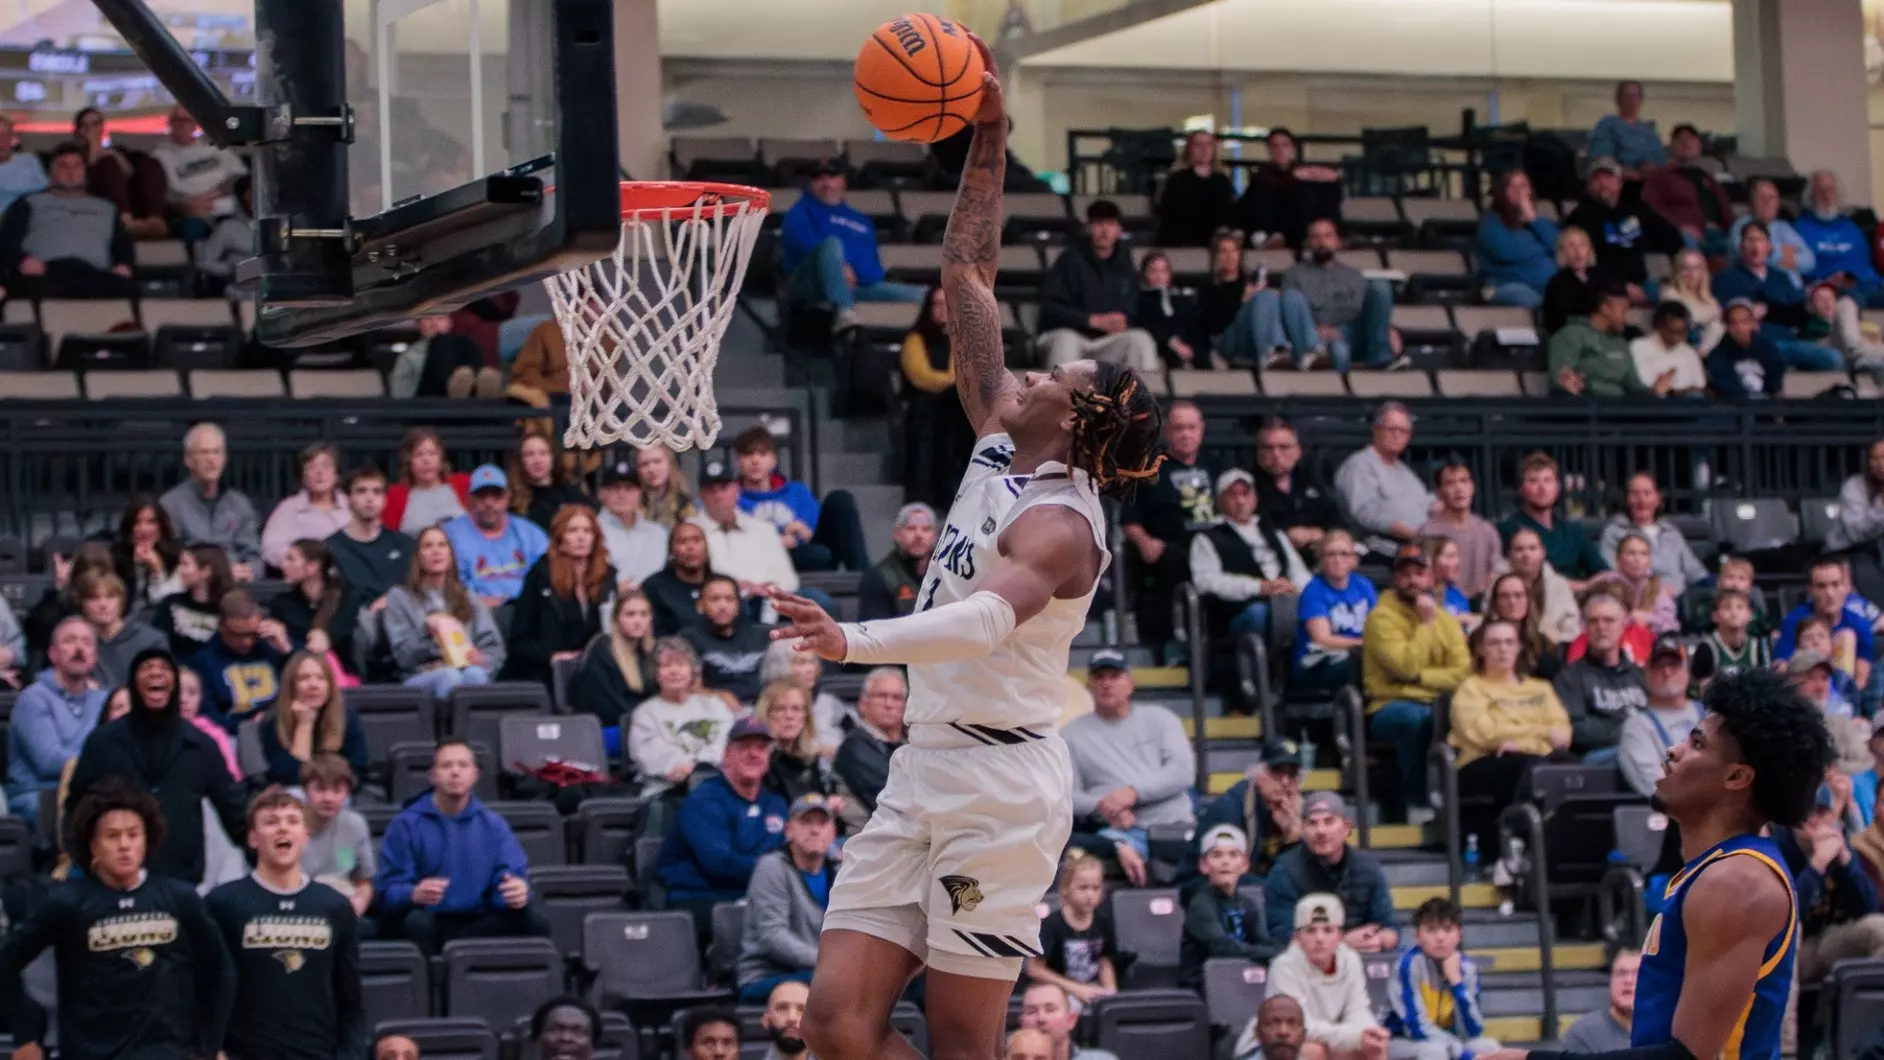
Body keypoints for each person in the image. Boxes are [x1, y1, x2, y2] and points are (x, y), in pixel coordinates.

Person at [773, 49, 1166, 1060]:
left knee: (960, 1044)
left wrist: (852, 641)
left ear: (1073, 421)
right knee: (834, 1027)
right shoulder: (1000, 426)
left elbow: (984, 620)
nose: (1030, 371)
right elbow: (967, 275)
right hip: (925, 765)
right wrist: (988, 130)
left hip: (1002, 790)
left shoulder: (1064, 527)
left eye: (1056, 375)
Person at [1479, 669, 1834, 1060]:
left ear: (1736, 776)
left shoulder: (1737, 883)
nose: (1672, 751)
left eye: (1696, 744)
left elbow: (1687, 1057)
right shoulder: (1715, 871)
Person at [0, 780, 235, 1060]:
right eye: (112, 836)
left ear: (146, 840)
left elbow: (221, 970)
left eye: (133, 834)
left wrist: (208, 1045)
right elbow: (7, 961)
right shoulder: (66, 902)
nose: (124, 845)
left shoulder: (180, 899)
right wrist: (26, 1034)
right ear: (93, 845)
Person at [205, 788, 365, 1060]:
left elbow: (351, 1000)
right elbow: (204, 988)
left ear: (305, 836)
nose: (282, 828)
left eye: (292, 821)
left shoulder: (334, 906)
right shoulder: (222, 903)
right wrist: (213, 1050)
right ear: (253, 838)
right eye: (271, 822)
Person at [66, 649, 247, 884]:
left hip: (180, 880)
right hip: (111, 882)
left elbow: (234, 812)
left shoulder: (200, 745)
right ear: (133, 682)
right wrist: (85, 861)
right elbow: (76, 808)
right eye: (147, 667)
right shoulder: (103, 741)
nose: (155, 673)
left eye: (164, 668)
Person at [374, 740, 551, 953]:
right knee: (414, 924)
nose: (455, 772)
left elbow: (509, 876)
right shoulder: (405, 825)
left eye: (463, 765)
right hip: (429, 919)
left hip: (478, 919)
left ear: (475, 774)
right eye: (446, 765)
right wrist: (413, 893)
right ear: (433, 775)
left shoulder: (493, 825)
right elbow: (386, 891)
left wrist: (517, 892)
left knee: (534, 921)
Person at [1064, 650, 1196, 885]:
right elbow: (1068, 797)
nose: (1107, 684)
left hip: (1174, 825)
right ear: (1089, 685)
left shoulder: (1161, 719)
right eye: (1099, 677)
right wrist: (1105, 806)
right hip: (1118, 832)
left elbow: (1183, 772)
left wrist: (1133, 793)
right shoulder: (1070, 734)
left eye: (1115, 676)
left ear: (1130, 683)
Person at [1363, 543, 1472, 822]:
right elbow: (1405, 667)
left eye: (1419, 573)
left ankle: (1461, 805)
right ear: (1395, 578)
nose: (1412, 580)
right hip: (1387, 705)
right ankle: (1416, 803)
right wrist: (1426, 625)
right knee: (1418, 719)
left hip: (1435, 702)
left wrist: (1422, 678)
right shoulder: (1380, 618)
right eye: (1405, 574)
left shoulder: (1446, 620)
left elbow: (1463, 672)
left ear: (1431, 577)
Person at [656, 715, 789, 933]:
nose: (754, 753)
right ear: (727, 754)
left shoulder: (776, 804)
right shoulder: (704, 800)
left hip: (756, 896)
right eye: (744, 747)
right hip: (700, 897)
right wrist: (781, 870)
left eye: (761, 748)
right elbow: (719, 865)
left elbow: (785, 853)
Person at [1449, 619, 1572, 844]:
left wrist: (1523, 741)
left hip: (1529, 758)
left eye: (1509, 642)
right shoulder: (1471, 688)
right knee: (1534, 767)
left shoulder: (1541, 688)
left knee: (1575, 767)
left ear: (1518, 648)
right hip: (1481, 763)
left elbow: (1563, 736)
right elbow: (1487, 735)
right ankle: (1515, 843)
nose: (1503, 649)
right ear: (1481, 649)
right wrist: (1543, 733)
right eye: (1494, 643)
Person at [779, 158, 923, 332]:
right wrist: (840, 266)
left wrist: (854, 274)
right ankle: (844, 313)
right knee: (831, 243)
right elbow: (803, 245)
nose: (826, 183)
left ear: (843, 181)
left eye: (832, 176)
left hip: (855, 285)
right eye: (818, 178)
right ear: (811, 184)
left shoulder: (861, 221)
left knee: (924, 294)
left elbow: (872, 267)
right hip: (810, 283)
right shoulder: (800, 211)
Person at [0, 141, 136, 300]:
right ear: (50, 173)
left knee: (128, 288)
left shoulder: (107, 208)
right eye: (63, 166)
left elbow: (123, 245)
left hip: (95, 276)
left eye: (77, 166)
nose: (71, 171)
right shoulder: (28, 203)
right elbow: (7, 241)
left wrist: (124, 265)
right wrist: (22, 260)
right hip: (45, 275)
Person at [736, 793, 838, 1002]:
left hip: (821, 972)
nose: (815, 830)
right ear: (788, 830)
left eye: (822, 823)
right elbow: (773, 936)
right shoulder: (772, 867)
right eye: (806, 822)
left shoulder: (841, 871)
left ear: (833, 833)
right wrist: (829, 962)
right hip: (767, 976)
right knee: (842, 984)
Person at [1263, 793, 1398, 951]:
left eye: (1329, 822)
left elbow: (1390, 929)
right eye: (1312, 823)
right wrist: (1342, 944)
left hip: (1361, 958)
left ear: (1346, 828)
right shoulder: (1283, 872)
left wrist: (1379, 939)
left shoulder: (1368, 868)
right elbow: (1283, 938)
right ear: (1303, 830)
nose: (1321, 831)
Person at [382, 525, 505, 699]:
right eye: (428, 546)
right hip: (419, 675)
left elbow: (495, 648)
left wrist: (482, 659)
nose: (436, 551)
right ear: (418, 557)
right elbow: (402, 656)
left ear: (451, 555)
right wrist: (428, 635)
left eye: (442, 545)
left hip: (465, 670)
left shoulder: (469, 597)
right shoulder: (400, 597)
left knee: (476, 675)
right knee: (449, 676)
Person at [1036, 198, 1159, 370]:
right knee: (1066, 341)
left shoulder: (1125, 263)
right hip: (1070, 335)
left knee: (1141, 340)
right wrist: (1090, 320)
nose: (1105, 230)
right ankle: (1061, 389)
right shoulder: (1069, 260)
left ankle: (1138, 389)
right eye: (1099, 223)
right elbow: (1050, 309)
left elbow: (1132, 307)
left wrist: (1122, 319)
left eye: (1110, 224)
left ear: (1119, 229)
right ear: (1088, 227)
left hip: (1108, 341)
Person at [1265, 894, 1392, 1060]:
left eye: (1328, 930)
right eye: (1310, 931)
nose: (1320, 938)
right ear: (1297, 937)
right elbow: (1298, 1026)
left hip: (1332, 1037)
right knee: (1314, 1051)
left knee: (1372, 1049)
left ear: (1340, 935)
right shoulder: (1284, 967)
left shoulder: (1351, 960)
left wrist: (1369, 1033)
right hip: (1275, 1044)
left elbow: (1357, 1009)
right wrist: (1355, 1037)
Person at [1191, 467, 1311, 638]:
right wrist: (1258, 587)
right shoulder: (1206, 538)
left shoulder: (1274, 532)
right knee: (1260, 613)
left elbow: (1298, 570)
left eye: (1245, 494)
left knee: (1315, 606)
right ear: (1219, 501)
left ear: (1254, 499)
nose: (1240, 501)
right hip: (1240, 611)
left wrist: (1295, 587)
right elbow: (1206, 581)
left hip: (1285, 600)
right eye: (1232, 495)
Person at [7, 616, 105, 824]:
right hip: (41, 793)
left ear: (95, 656)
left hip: (91, 791)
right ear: (53, 653)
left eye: (87, 642)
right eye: (70, 641)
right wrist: (102, 761)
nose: (79, 648)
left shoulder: (103, 699)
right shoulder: (33, 698)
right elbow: (49, 761)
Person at [736, 424, 870, 573]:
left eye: (762, 454)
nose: (755, 460)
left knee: (840, 499)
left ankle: (864, 577)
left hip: (806, 553)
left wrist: (801, 532)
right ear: (738, 461)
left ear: (773, 460)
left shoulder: (796, 491)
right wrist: (776, 541)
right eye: (748, 454)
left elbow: (809, 531)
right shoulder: (731, 497)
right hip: (764, 560)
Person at [506, 505, 615, 687]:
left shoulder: (607, 576)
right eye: (572, 530)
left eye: (587, 531)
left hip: (592, 671)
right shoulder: (540, 576)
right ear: (559, 537)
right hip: (543, 671)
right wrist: (552, 656)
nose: (581, 537)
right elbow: (519, 641)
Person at [1274, 217, 1402, 372]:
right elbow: (1291, 312)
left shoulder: (1354, 275)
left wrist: (1388, 328)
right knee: (1337, 350)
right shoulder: (1293, 274)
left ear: (1337, 242)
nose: (1322, 242)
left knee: (1380, 287)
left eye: (1327, 236)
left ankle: (1382, 357)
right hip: (1316, 337)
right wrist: (1316, 328)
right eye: (1315, 237)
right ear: (1307, 243)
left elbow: (1368, 311)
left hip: (1352, 333)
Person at [1384, 898, 1501, 1060]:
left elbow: (1474, 1030)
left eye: (1447, 929)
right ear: (1417, 936)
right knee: (1435, 1051)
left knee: (1489, 1047)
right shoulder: (1407, 965)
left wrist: (1457, 983)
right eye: (1431, 930)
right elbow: (1416, 1028)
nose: (1440, 937)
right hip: (1400, 1041)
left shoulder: (1467, 969)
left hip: (1448, 1040)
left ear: (1459, 934)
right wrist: (1459, 1051)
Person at [1713, 223, 1837, 372]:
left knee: (1833, 357)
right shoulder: (1726, 279)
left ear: (1769, 246)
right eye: (1750, 240)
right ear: (1741, 246)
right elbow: (1722, 317)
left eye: (1760, 240)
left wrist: (1815, 304)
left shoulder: (1781, 277)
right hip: (1754, 344)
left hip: (1789, 344)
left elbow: (1800, 314)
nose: (1756, 246)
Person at [626, 637, 735, 798]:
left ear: (692, 671)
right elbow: (653, 758)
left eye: (681, 664)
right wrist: (693, 767)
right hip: (667, 793)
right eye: (666, 665)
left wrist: (699, 766)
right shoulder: (645, 714)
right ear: (655, 673)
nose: (674, 671)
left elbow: (728, 744)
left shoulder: (715, 706)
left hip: (719, 787)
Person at [901, 286, 976, 509]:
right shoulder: (915, 339)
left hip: (953, 407)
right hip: (923, 405)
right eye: (937, 304)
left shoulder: (962, 340)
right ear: (928, 308)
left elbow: (965, 374)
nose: (942, 309)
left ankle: (955, 486)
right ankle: (926, 492)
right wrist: (952, 382)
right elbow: (920, 376)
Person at [1564, 158, 1682, 297]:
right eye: (1597, 179)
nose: (1603, 183)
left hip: (1643, 282)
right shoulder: (1580, 217)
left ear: (1620, 182)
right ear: (1589, 186)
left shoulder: (1636, 208)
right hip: (1605, 288)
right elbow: (1582, 263)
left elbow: (1670, 235)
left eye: (1608, 177)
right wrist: (1620, 286)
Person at [1180, 824, 1278, 987]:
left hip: (1238, 981)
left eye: (1233, 855)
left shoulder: (1247, 903)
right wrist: (1274, 953)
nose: (1225, 862)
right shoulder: (1200, 904)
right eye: (1217, 855)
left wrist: (1279, 952)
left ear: (1245, 865)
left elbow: (1263, 941)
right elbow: (1223, 948)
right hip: (1204, 986)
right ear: (1204, 865)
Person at [1552, 591, 1646, 762]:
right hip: (1599, 758)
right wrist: (1628, 729)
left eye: (1609, 620)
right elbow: (1576, 729)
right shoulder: (1570, 676)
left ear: (1623, 626)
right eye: (1593, 621)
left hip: (1645, 751)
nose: (1601, 627)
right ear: (1585, 627)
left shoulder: (1639, 674)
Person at [160, 424, 261, 579]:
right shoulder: (170, 505)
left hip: (233, 585)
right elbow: (169, 560)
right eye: (204, 452)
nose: (211, 459)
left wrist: (248, 570)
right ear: (188, 459)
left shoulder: (240, 504)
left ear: (224, 458)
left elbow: (255, 559)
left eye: (216, 452)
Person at [441, 465, 550, 608]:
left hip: (526, 609)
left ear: (507, 497)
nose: (489, 503)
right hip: (473, 611)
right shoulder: (450, 534)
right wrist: (476, 602)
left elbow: (549, 573)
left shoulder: (529, 533)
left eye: (496, 495)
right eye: (481, 495)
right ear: (470, 498)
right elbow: (445, 584)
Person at [1197, 739, 1306, 877]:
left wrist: (1293, 836)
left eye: (1292, 773)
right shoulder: (1230, 810)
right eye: (1276, 771)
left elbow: (1298, 874)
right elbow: (1229, 877)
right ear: (1258, 774)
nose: (1285, 782)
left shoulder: (1296, 810)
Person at [1335, 403, 1433, 557]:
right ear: (1376, 429)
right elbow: (1365, 513)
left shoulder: (1406, 472)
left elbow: (1425, 505)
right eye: (1391, 429)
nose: (1397, 435)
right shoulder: (1360, 464)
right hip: (1379, 551)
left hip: (1418, 548)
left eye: (1403, 431)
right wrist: (1412, 533)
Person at [694, 462, 801, 599]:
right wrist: (740, 588)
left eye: (724, 488)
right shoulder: (691, 531)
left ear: (736, 490)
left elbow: (788, 580)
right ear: (701, 495)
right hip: (718, 602)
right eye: (711, 490)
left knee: (815, 598)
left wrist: (766, 589)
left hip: (767, 601)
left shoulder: (763, 529)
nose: (718, 496)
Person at [1498, 453, 1607, 586]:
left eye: (1548, 480)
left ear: (1557, 487)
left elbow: (1603, 571)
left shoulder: (1573, 530)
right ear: (1521, 489)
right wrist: (1584, 587)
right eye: (1533, 481)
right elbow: (1531, 580)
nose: (1542, 488)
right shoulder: (1511, 529)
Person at [187, 589, 288, 732]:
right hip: (234, 734)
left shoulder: (271, 648)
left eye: (252, 633)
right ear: (222, 628)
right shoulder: (204, 661)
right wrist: (246, 726)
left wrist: (286, 650)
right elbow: (207, 716)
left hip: (280, 728)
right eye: (238, 635)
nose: (247, 641)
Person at [260, 651, 366, 786]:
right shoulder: (274, 719)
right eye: (304, 678)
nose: (313, 685)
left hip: (336, 790)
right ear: (291, 685)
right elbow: (290, 779)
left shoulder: (346, 716)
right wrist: (304, 724)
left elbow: (356, 768)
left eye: (321, 678)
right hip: (292, 793)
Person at [1618, 637, 1707, 797]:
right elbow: (1659, 789)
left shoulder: (1711, 714)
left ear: (1688, 671)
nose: (1666, 672)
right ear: (1646, 673)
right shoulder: (1636, 727)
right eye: (1658, 666)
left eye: (1674, 664)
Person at [1026, 851, 1119, 1005]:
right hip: (1058, 992)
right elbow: (1034, 969)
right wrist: (1076, 989)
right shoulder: (1052, 924)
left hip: (1092, 991)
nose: (1090, 894)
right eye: (1083, 888)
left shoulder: (1103, 921)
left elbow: (1104, 961)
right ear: (1065, 889)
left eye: (1095, 888)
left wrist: (1111, 993)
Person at [327, 465, 417, 622]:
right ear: (348, 498)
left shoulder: (404, 544)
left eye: (377, 492)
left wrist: (391, 601)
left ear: (385, 499)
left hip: (400, 619)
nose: (370, 498)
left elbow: (416, 588)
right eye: (361, 491)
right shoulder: (331, 548)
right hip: (353, 624)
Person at [573, 590, 656, 754]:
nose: (638, 621)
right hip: (607, 729)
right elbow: (607, 704)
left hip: (642, 726)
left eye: (644, 614)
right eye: (630, 615)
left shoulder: (650, 652)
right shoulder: (602, 650)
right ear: (616, 619)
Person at [1599, 473, 1708, 598]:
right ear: (1626, 499)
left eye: (1647, 493)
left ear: (1657, 499)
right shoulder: (1614, 532)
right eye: (1635, 494)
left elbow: (1694, 571)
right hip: (1636, 598)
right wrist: (1655, 591)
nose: (1642, 500)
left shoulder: (1671, 532)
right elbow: (1610, 574)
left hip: (1678, 598)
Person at [1776, 556, 1875, 693]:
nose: (1830, 593)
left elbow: (1861, 680)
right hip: (1803, 694)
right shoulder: (1794, 621)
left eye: (1835, 584)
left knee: (1847, 637)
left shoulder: (1860, 625)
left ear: (1846, 587)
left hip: (1845, 696)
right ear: (1810, 589)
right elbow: (1781, 668)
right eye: (1821, 586)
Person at [1549, 278, 1661, 397]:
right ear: (1605, 308)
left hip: (1619, 406)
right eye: (1622, 310)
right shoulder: (1571, 334)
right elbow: (1562, 376)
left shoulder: (1620, 342)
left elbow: (1634, 385)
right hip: (1586, 404)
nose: (1625, 318)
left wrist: (1654, 392)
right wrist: (1568, 382)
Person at [1295, 529, 1375, 693]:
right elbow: (1322, 639)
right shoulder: (1313, 591)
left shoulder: (1363, 585)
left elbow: (1378, 623)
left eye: (1344, 554)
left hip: (1358, 653)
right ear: (1321, 559)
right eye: (1330, 554)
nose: (1338, 560)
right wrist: (1363, 644)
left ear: (1354, 559)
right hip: (1318, 665)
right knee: (1366, 663)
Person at [1236, 127, 1342, 250]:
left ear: (1292, 148)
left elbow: (1334, 180)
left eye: (1285, 145)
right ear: (1269, 150)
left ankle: (1325, 235)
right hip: (1273, 222)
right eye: (1275, 146)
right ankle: (1264, 237)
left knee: (1307, 191)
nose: (1280, 150)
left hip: (1297, 225)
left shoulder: (1304, 173)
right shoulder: (1261, 178)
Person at [831, 666, 907, 830]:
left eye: (897, 698)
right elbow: (891, 797)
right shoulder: (854, 747)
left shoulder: (909, 746)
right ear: (863, 703)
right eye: (881, 696)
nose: (889, 704)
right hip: (867, 837)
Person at [149, 105, 245, 233]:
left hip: (227, 205)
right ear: (170, 124)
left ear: (195, 124)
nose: (182, 125)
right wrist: (187, 206)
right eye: (177, 120)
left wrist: (215, 193)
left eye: (187, 120)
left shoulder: (215, 147)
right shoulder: (159, 156)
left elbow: (239, 176)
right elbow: (164, 193)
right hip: (191, 212)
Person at [301, 753, 376, 916]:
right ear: (305, 790)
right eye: (320, 789)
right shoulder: (289, 824)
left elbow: (364, 882)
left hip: (340, 904)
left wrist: (357, 905)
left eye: (337, 790)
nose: (329, 798)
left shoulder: (355, 824)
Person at [1254, 417, 1341, 557]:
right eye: (1268, 448)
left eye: (1284, 447)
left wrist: (1319, 533)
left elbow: (1338, 524)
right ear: (1258, 452)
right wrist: (1286, 535)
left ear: (1298, 451)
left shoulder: (1312, 482)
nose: (1276, 454)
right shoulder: (1247, 487)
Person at [682, 574, 773, 704]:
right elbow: (689, 688)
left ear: (738, 604)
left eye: (729, 599)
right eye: (714, 599)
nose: (723, 606)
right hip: (712, 708)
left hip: (762, 708)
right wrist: (720, 697)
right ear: (700, 605)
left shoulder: (763, 635)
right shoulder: (688, 639)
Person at [1476, 170, 1560, 309]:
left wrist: (1533, 218)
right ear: (1502, 192)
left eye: (1523, 186)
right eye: (1513, 187)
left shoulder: (1538, 222)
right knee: (1530, 298)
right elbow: (1508, 251)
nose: (1519, 191)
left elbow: (1560, 247)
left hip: (1548, 287)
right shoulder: (1490, 223)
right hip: (1506, 285)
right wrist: (1545, 249)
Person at [1417, 461, 1502, 600]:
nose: (1459, 488)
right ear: (1439, 492)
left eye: (1464, 481)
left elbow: (1496, 574)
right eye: (1450, 483)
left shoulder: (1487, 530)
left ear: (1472, 487)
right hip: (1442, 602)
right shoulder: (1428, 531)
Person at [1795, 169, 1884, 301]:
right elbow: (1799, 269)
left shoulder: (1850, 226)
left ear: (1837, 194)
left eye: (1830, 190)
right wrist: (1826, 280)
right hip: (1831, 291)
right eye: (1820, 191)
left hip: (1867, 286)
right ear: (1810, 196)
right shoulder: (1800, 228)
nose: (1826, 196)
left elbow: (1865, 262)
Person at [1642, 124, 1732, 251]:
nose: (1686, 143)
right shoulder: (1661, 177)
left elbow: (1726, 208)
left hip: (1718, 233)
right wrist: (1678, 227)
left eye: (1691, 138)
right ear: (1671, 146)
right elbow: (1650, 209)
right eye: (1679, 139)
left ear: (1699, 145)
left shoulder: (1708, 178)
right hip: (1685, 235)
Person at [261, 444, 349, 572]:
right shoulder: (289, 508)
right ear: (303, 476)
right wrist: (299, 561)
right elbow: (271, 548)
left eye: (326, 466)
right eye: (312, 467)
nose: (319, 472)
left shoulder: (351, 506)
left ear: (336, 475)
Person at [756, 680, 837, 805]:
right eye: (780, 709)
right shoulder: (757, 762)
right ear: (766, 714)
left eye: (796, 709)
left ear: (806, 716)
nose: (789, 716)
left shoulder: (815, 763)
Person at [594, 457, 667, 588]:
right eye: (615, 488)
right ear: (601, 494)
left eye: (629, 488)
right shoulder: (592, 530)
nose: (622, 494)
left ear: (640, 493)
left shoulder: (658, 533)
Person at [150, 543, 231, 661]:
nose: (179, 570)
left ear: (206, 571)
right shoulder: (170, 603)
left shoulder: (229, 607)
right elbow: (156, 645)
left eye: (185, 564)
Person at [383, 429, 470, 536]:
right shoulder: (395, 496)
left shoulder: (463, 484)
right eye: (418, 455)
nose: (426, 460)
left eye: (432, 453)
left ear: (441, 458)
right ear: (408, 461)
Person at [859, 503, 938, 622]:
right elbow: (873, 629)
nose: (919, 535)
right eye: (911, 528)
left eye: (926, 529)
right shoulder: (878, 578)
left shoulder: (945, 573)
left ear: (935, 536)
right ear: (897, 534)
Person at [1156, 130, 1235, 247]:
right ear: (1189, 149)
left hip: (1215, 241)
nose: (1204, 149)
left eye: (1208, 145)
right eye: (1198, 145)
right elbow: (1171, 216)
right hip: (1183, 241)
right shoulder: (1177, 180)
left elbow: (1227, 214)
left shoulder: (1222, 181)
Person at [1729, 177, 1817, 280]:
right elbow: (1754, 257)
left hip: (1792, 287)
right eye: (1762, 197)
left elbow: (1810, 261)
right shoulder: (1741, 226)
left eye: (1771, 198)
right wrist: (1785, 253)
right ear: (1752, 202)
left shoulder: (1783, 227)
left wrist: (1773, 253)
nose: (1767, 202)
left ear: (1778, 203)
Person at [1553, 948, 1640, 1053]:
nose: (1628, 980)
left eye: (1638, 973)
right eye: (1621, 973)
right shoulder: (1584, 1035)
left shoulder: (1659, 1033)